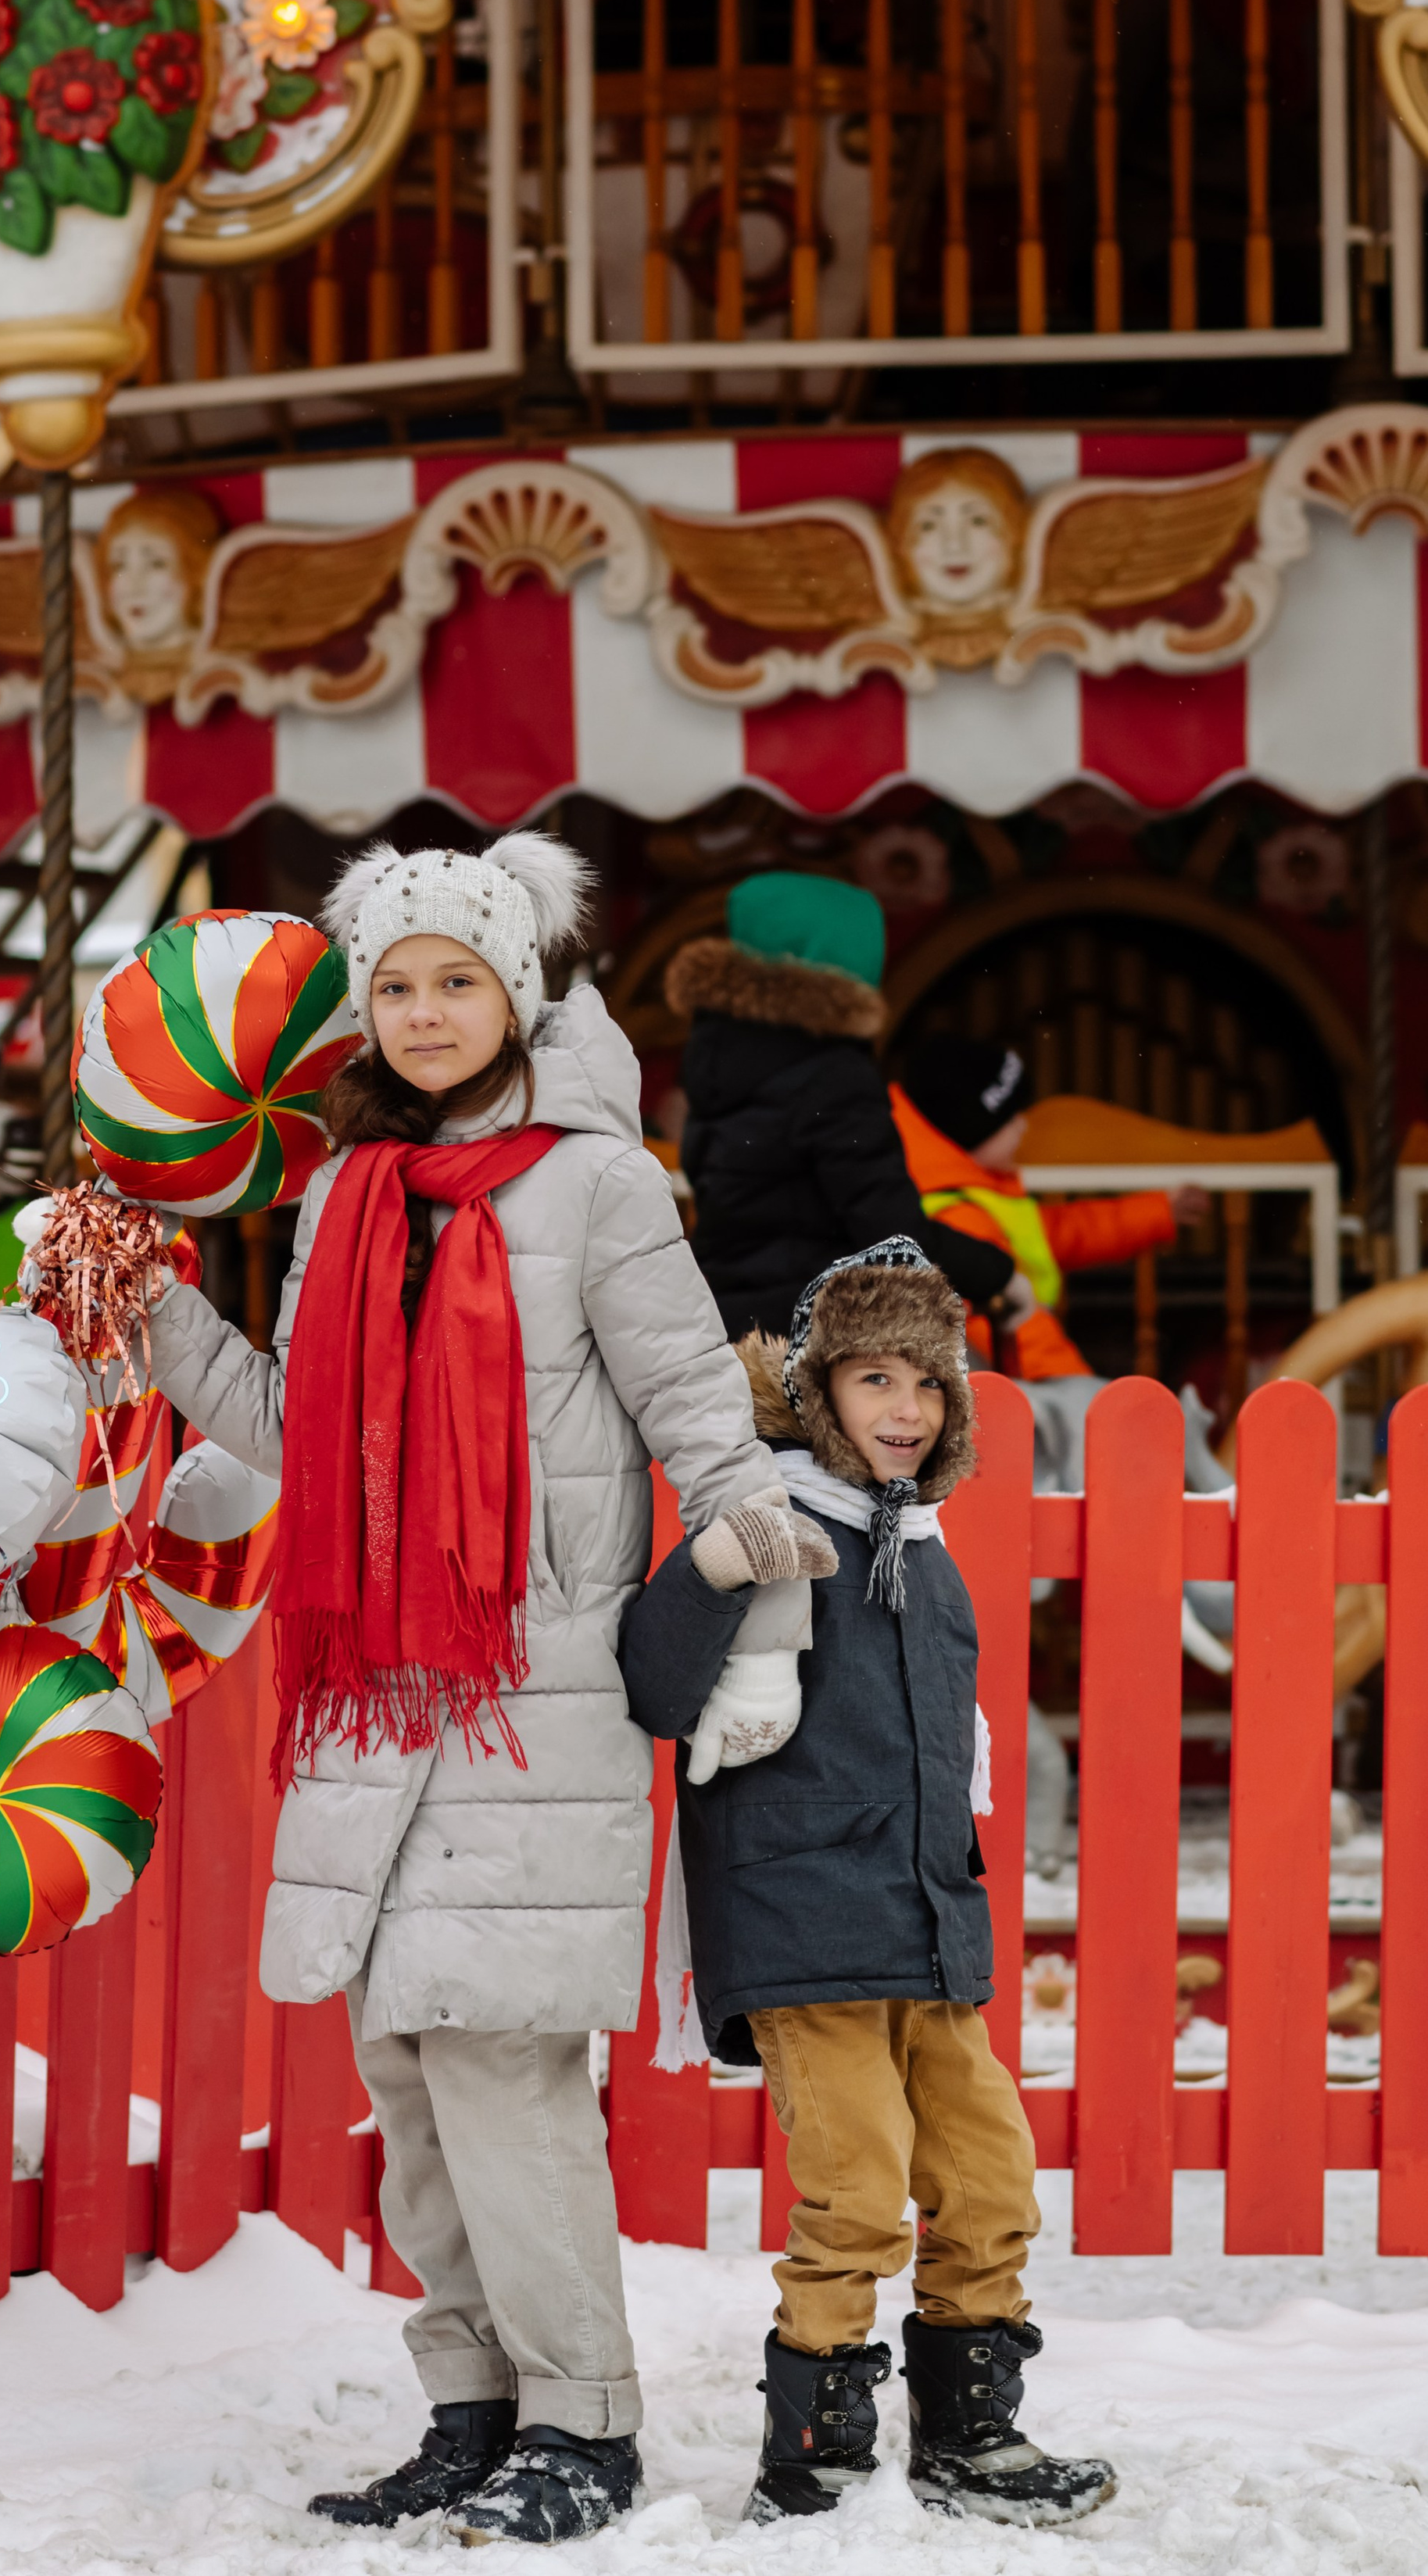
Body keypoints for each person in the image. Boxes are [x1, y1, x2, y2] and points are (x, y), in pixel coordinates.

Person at [138, 834, 829, 2546]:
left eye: (458, 979)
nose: (427, 1009)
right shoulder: (339, 1198)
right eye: (396, 984)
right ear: (362, 1014)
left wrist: (765, 1639)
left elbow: (696, 1413)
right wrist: (149, 1307)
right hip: (376, 1688)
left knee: (504, 2065)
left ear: (516, 994)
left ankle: (581, 2419)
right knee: (408, 2066)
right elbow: (297, 1430)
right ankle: (471, 2402)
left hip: (538, 1689)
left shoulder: (597, 1186)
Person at [617, 1237, 1116, 2531]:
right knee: (854, 2184)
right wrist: (719, 1570)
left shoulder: (929, 1556)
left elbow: (948, 1750)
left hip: (925, 1929)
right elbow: (660, 1686)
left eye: (929, 1386)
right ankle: (817, 2449)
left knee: (990, 2175)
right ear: (817, 1390)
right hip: (799, 1922)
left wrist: (959, 1893)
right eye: (875, 1380)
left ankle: (971, 2434)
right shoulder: (768, 1523)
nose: (906, 1410)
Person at [667, 871, 1019, 1341]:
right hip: (819, 1339)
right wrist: (997, 1273)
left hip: (730, 1328)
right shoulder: (833, 1077)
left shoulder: (718, 1062)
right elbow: (892, 1233)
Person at [892, 1032, 1208, 1386]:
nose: (1023, 1126)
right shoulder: (956, 1215)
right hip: (1013, 1387)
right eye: (1009, 1118)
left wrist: (1155, 1211)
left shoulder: (976, 1193)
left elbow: (1063, 1232)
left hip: (1017, 1381)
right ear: (969, 1133)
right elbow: (1018, 1326)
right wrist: (1081, 1396)